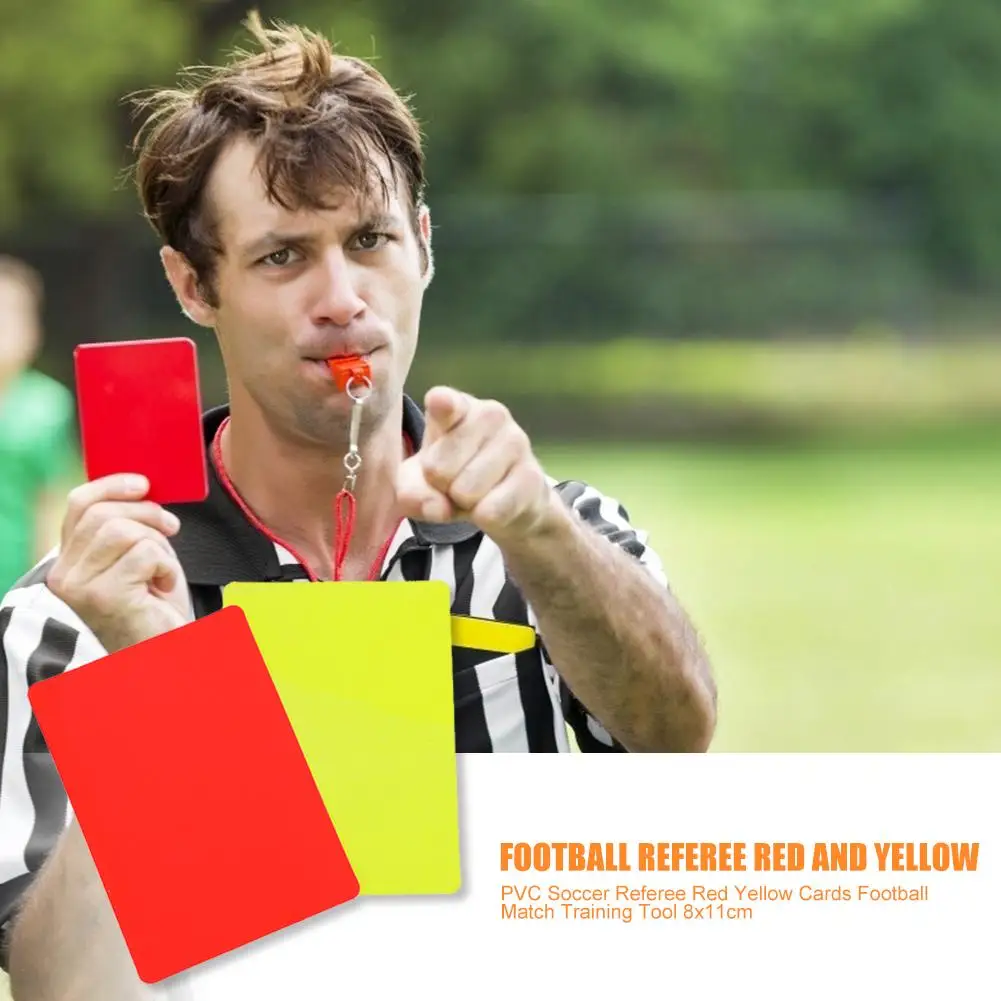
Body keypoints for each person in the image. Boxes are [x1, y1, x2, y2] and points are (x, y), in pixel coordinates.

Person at [0, 14, 716, 999]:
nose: (341, 298)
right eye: (282, 257)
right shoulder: (64, 615)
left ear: (422, 243)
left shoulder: (555, 538)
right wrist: (160, 681)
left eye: (369, 239)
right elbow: (58, 986)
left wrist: (541, 532)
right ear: (192, 284)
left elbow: (675, 737)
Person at [0, 256, 77, 595]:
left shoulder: (47, 405)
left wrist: (45, 585)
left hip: (15, 582)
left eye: (12, 316)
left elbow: (51, 501)